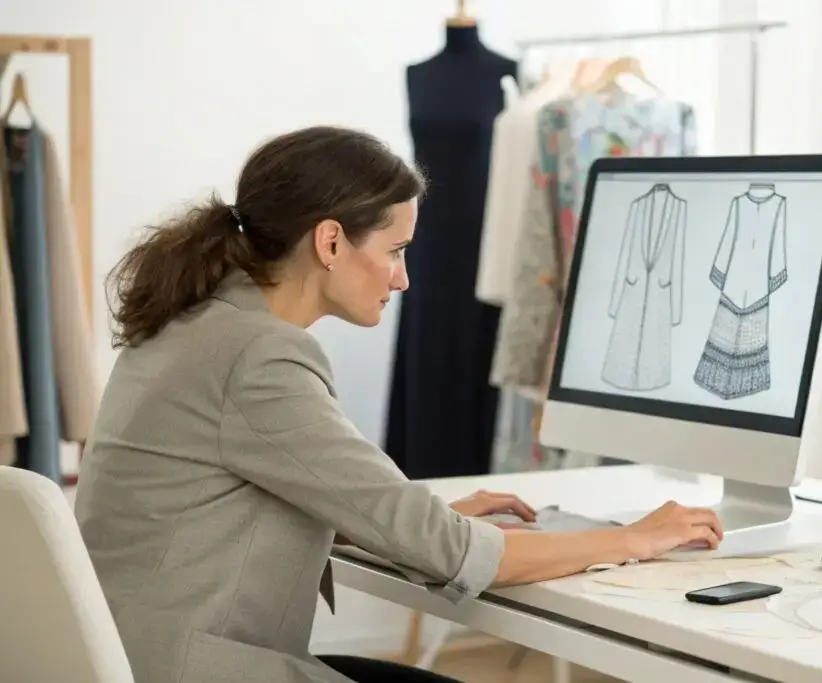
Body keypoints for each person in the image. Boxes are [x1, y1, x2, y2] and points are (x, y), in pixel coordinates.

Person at [73, 126, 724, 683]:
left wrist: (413, 516)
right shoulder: (260, 356)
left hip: (130, 656)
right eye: (395, 251)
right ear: (330, 242)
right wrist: (634, 537)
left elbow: (241, 494)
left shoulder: (196, 321)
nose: (404, 277)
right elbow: (448, 552)